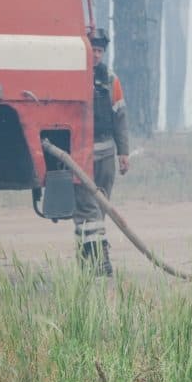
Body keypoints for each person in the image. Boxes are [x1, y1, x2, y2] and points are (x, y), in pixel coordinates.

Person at [74, 27, 130, 276]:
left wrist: (123, 152)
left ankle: (87, 255)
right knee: (89, 208)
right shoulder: (74, 75)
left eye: (99, 50)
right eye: (92, 50)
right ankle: (100, 259)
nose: (95, 55)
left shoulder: (111, 80)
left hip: (106, 154)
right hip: (81, 154)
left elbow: (120, 118)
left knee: (101, 207)